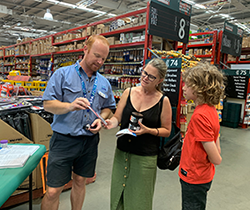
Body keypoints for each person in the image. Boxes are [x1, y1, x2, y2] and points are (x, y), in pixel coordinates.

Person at [41, 34, 116, 210]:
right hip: (64, 140)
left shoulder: (104, 83)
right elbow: (47, 105)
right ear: (85, 49)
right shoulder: (62, 74)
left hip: (89, 141)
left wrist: (101, 119)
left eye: (103, 59)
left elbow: (108, 108)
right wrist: (70, 106)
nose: (99, 61)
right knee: (53, 191)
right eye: (97, 55)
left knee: (81, 181)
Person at [105, 58, 172, 210]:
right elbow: (117, 117)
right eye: (144, 73)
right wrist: (111, 123)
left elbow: (166, 131)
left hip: (145, 158)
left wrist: (148, 131)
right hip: (122, 154)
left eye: (151, 77)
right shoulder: (128, 92)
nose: (145, 78)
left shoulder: (163, 101)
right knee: (118, 197)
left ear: (159, 80)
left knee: (140, 199)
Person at [179, 62, 225, 210]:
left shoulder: (199, 116)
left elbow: (216, 159)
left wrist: (216, 155)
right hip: (203, 174)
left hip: (194, 176)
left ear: (201, 89)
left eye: (187, 84)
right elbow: (215, 136)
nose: (183, 87)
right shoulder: (210, 109)